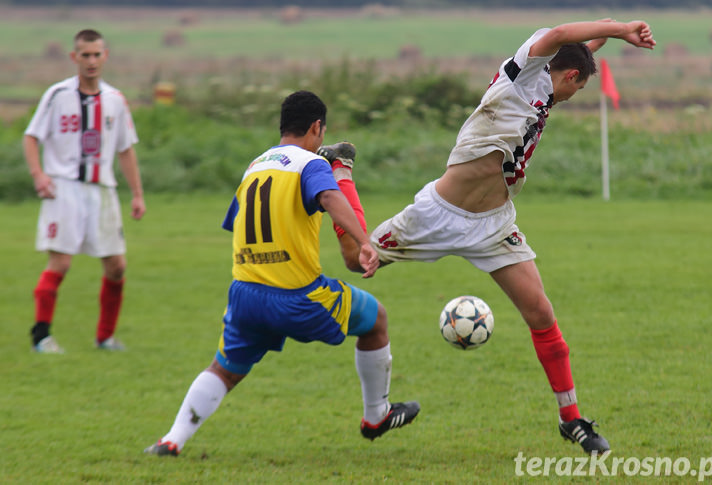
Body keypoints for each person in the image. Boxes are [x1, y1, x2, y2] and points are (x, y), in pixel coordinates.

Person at [330, 20, 656, 454]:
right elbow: (560, 37)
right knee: (357, 259)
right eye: (577, 86)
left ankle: (571, 419)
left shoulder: (551, 84)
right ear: (570, 76)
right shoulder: (522, 75)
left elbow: (576, 50)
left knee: (541, 312)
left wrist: (604, 43)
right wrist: (619, 28)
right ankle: (340, 171)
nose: (572, 94)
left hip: (494, 225)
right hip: (437, 216)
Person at [144, 90, 419, 457]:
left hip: (245, 294)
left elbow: (236, 221)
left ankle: (171, 440)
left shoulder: (254, 166)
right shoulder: (311, 164)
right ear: (317, 128)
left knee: (225, 369)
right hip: (298, 297)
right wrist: (362, 240)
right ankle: (376, 417)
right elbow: (329, 197)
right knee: (376, 320)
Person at [23, 29, 145, 354]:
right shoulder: (57, 95)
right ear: (74, 57)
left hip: (102, 191)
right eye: (85, 55)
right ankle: (41, 336)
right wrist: (39, 175)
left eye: (96, 54)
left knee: (117, 266)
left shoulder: (116, 100)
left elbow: (125, 150)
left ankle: (105, 337)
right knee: (60, 263)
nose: (91, 61)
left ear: (105, 56)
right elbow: (31, 136)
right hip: (64, 189)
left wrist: (137, 194)